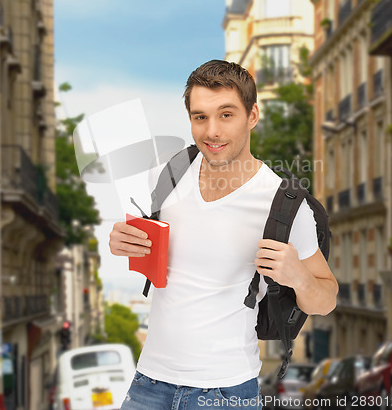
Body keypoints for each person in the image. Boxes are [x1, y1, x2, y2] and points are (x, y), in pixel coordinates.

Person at [109, 60, 338, 410]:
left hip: (224, 393)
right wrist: (122, 241)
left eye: (226, 115)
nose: (211, 131)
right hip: (147, 384)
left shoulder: (285, 205)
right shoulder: (171, 173)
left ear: (252, 116)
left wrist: (299, 277)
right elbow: (155, 251)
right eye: (200, 117)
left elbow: (327, 298)